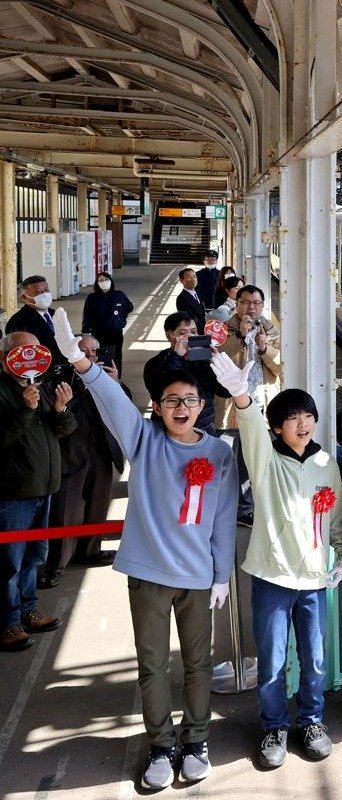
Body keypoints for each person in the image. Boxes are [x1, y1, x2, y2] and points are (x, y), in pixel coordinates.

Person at [53, 309, 237, 790]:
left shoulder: (219, 454)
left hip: (199, 579)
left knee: (198, 665)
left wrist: (221, 575)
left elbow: (220, 520)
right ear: (156, 406)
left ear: (202, 405)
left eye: (190, 400)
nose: (181, 408)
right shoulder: (144, 441)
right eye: (171, 400)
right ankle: (160, 746)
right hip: (149, 576)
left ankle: (196, 741)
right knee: (151, 665)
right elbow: (113, 402)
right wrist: (82, 364)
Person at [210, 353, 342, 768]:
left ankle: (311, 721)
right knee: (271, 660)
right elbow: (250, 431)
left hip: (312, 580)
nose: (303, 424)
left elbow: (338, 515)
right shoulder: (266, 461)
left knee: (316, 657)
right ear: (276, 427)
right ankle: (273, 726)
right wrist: (242, 397)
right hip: (272, 578)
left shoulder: (327, 463)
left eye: (308, 416)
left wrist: (341, 555)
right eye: (293, 418)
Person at [0, 331, 73, 652]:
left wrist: (59, 409)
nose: (30, 357)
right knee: (8, 565)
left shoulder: (37, 387)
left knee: (34, 558)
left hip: (44, 487)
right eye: (22, 352)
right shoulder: (4, 392)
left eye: (34, 350)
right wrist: (26, 411)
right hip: (13, 493)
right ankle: (8, 623)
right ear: (5, 358)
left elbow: (66, 430)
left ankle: (28, 610)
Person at [41, 335, 128, 588]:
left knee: (98, 506)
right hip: (70, 453)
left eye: (94, 351)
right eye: (83, 351)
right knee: (64, 511)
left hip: (101, 452)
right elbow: (53, 415)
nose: (90, 356)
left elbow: (124, 408)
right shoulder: (58, 377)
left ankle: (90, 550)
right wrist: (80, 387)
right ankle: (55, 564)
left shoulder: (105, 378)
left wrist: (115, 384)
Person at [143, 312, 230, 436]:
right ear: (170, 336)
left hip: (203, 429)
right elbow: (156, 390)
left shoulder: (205, 361)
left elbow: (225, 392)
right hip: (167, 430)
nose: (190, 337)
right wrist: (176, 356)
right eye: (183, 333)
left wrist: (218, 364)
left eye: (193, 332)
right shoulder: (156, 363)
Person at [216, 285, 281, 429]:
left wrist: (264, 349)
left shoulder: (271, 331)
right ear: (236, 304)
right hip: (233, 400)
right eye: (245, 302)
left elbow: (279, 368)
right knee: (234, 442)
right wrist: (240, 336)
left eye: (256, 303)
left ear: (262, 306)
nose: (251, 307)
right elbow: (217, 358)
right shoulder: (223, 329)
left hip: (263, 398)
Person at [81, 272, 135, 373]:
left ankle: (117, 377)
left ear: (111, 281)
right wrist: (86, 332)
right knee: (100, 355)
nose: (104, 282)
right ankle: (101, 375)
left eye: (106, 280)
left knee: (116, 355)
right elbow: (87, 316)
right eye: (100, 280)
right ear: (97, 283)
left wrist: (120, 319)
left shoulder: (119, 295)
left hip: (116, 333)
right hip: (98, 334)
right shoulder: (92, 298)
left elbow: (129, 307)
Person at [5, 275, 65, 363]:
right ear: (24, 297)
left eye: (46, 290)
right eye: (38, 292)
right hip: (43, 367)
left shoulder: (55, 313)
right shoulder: (17, 321)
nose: (45, 295)